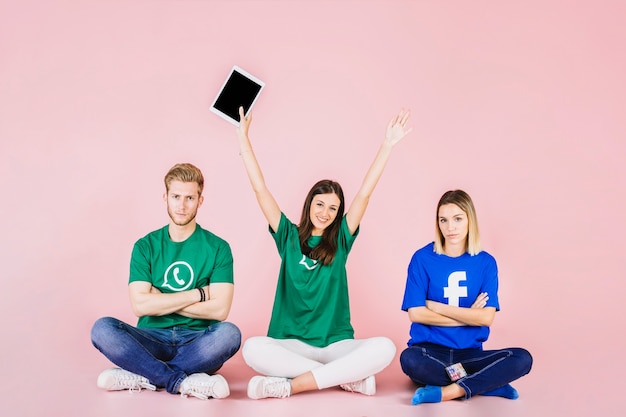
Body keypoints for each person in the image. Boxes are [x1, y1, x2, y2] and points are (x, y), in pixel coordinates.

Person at [234, 107, 411, 400]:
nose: (325, 213)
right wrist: (243, 139)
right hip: (290, 343)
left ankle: (293, 384)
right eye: (320, 205)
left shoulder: (341, 238)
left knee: (386, 347)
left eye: (333, 208)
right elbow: (260, 189)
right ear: (309, 205)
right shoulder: (288, 235)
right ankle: (344, 378)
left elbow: (364, 193)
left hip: (335, 345)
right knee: (253, 348)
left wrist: (387, 145)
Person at [91, 163, 241, 400]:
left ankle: (144, 374)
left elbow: (220, 310)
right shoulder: (145, 246)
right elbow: (140, 306)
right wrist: (198, 294)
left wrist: (159, 299)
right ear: (165, 197)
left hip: (197, 340)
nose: (182, 205)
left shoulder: (218, 248)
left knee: (230, 334)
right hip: (151, 338)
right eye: (176, 196)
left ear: (200, 200)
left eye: (190, 197)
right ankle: (180, 379)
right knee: (102, 329)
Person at [399, 189, 533, 405]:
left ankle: (448, 391)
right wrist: (470, 315)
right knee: (410, 360)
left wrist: (437, 307)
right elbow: (416, 314)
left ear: (470, 220)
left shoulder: (486, 263)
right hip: (430, 354)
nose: (450, 227)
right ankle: (487, 384)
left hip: (470, 356)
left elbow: (486, 319)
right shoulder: (422, 258)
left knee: (522, 358)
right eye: (443, 220)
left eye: (457, 219)